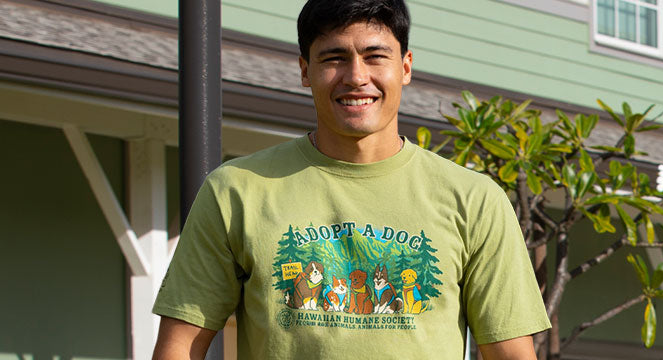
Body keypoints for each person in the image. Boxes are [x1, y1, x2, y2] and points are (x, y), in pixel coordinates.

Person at [149, 0, 549, 358]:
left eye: (375, 56)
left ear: (405, 67)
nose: (356, 76)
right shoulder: (237, 190)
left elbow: (510, 354)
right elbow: (179, 347)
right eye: (334, 58)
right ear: (305, 70)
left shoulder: (474, 200)